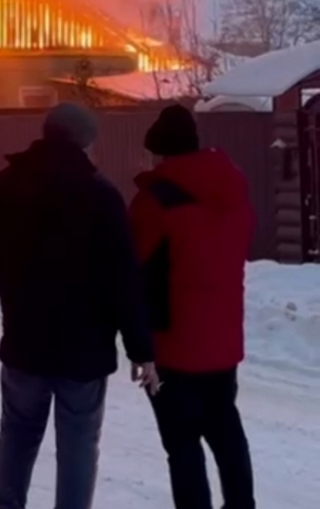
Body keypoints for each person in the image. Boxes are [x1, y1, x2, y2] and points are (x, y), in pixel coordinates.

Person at [0, 102, 158, 509]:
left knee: (17, 436)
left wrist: (15, 296)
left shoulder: (4, 185)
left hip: (24, 340)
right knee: (77, 446)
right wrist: (140, 349)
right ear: (85, 140)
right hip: (85, 350)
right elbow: (122, 280)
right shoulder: (100, 194)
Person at [130, 104, 256, 509]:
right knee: (226, 433)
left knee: (182, 445)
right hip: (223, 342)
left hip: (173, 347)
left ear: (161, 153)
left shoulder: (154, 204)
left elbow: (134, 267)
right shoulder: (234, 196)